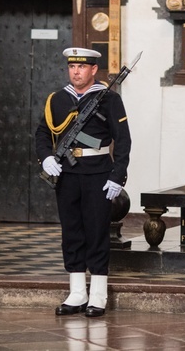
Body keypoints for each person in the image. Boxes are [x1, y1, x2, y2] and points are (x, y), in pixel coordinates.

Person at [34, 47, 131, 318]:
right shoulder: (57, 99)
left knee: (97, 231)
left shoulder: (108, 99)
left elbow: (122, 140)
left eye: (82, 67)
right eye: (72, 66)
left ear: (93, 70)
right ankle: (77, 292)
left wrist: (117, 175)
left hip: (98, 173)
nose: (76, 71)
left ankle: (98, 294)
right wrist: (45, 158)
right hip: (67, 174)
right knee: (72, 231)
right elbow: (42, 132)